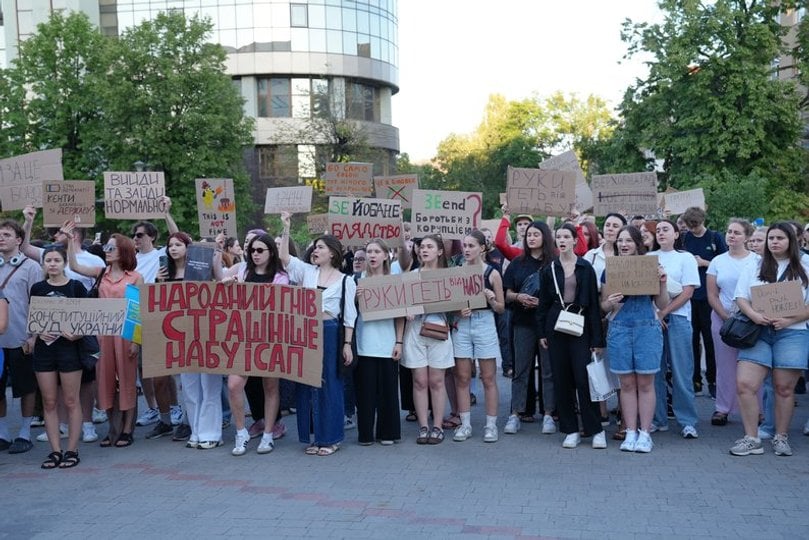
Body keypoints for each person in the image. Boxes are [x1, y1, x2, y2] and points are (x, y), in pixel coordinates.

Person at [21, 208, 106, 444]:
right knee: (54, 388)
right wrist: (29, 220)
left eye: (61, 230)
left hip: (77, 336)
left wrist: (82, 331)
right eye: (48, 261)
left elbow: (96, 296)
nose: (56, 234)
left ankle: (87, 424)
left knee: (85, 383)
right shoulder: (45, 265)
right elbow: (25, 248)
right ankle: (59, 427)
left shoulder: (93, 260)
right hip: (50, 342)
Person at [729, 223, 809, 457]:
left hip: (792, 332)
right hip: (757, 331)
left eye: (780, 238)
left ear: (791, 241)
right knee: (745, 384)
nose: (774, 242)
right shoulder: (754, 264)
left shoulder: (805, 265)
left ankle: (781, 437)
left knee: (783, 388)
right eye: (771, 238)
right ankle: (752, 437)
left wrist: (788, 320)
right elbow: (741, 297)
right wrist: (754, 314)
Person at [280, 212, 356, 456]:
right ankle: (313, 437)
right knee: (308, 384)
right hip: (307, 331)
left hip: (331, 332)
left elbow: (349, 315)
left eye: (320, 247)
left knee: (330, 385)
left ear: (332, 253)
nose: (314, 250)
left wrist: (347, 344)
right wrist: (286, 228)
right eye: (314, 247)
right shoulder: (307, 273)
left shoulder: (346, 280)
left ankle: (331, 438)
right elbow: (284, 257)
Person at [65, 223, 143, 447]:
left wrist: (136, 341)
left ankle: (127, 429)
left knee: (127, 381)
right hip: (103, 335)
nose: (107, 251)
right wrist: (71, 240)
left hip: (126, 335)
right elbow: (74, 265)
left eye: (112, 248)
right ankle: (113, 428)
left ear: (123, 252)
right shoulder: (101, 273)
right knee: (105, 381)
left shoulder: (135, 278)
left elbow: (137, 312)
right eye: (107, 248)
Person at [220, 233, 289, 455]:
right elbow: (219, 288)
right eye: (252, 250)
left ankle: (268, 434)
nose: (255, 254)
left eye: (260, 250)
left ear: (271, 252)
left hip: (270, 338)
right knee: (234, 385)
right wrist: (228, 287)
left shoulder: (280, 277)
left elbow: (281, 305)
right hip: (243, 338)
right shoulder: (242, 272)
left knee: (270, 386)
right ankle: (241, 433)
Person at [601, 226, 669, 452]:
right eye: (620, 240)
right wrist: (611, 302)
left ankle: (645, 433)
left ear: (638, 244)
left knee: (646, 383)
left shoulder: (650, 267)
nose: (623, 244)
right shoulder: (609, 270)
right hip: (619, 327)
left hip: (647, 328)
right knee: (627, 384)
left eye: (629, 240)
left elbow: (662, 305)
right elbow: (603, 306)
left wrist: (662, 281)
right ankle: (630, 431)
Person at [156, 232, 225, 450]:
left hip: (206, 332)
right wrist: (159, 282)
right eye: (170, 245)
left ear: (189, 248)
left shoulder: (202, 267)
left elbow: (221, 283)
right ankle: (195, 431)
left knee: (210, 384)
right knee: (190, 387)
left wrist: (217, 255)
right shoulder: (165, 272)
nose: (173, 248)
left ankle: (211, 432)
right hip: (180, 336)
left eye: (178, 244)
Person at [538, 223, 605, 449]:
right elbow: (543, 304)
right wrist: (542, 333)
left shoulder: (586, 267)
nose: (563, 240)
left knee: (583, 378)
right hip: (556, 325)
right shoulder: (549, 269)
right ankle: (570, 429)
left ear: (575, 240)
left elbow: (594, 306)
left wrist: (597, 340)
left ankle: (595, 429)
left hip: (581, 323)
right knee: (562, 378)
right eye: (559, 237)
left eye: (567, 236)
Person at [29, 245, 86, 468]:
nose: (52, 264)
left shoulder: (76, 287)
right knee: (49, 401)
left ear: (64, 263)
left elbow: (89, 321)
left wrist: (77, 334)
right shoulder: (37, 288)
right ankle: (55, 451)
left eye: (56, 260)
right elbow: (33, 318)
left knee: (71, 400)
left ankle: (72, 450)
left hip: (69, 349)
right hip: (45, 350)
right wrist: (37, 331)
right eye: (48, 260)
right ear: (43, 264)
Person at [399, 234, 454, 445]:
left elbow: (458, 304)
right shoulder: (411, 276)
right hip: (414, 331)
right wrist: (407, 311)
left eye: (429, 247)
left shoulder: (449, 276)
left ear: (440, 251)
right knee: (420, 381)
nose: (424, 250)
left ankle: (438, 426)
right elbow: (400, 304)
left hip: (438, 330)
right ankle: (423, 426)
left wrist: (463, 308)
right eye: (422, 247)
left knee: (436, 381)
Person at [502, 221, 556, 435]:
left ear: (545, 236)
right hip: (522, 323)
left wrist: (543, 302)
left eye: (536, 234)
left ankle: (549, 414)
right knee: (521, 369)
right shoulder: (518, 262)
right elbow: (506, 293)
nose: (531, 237)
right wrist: (518, 297)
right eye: (529, 234)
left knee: (548, 371)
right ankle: (515, 413)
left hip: (547, 325)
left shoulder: (555, 263)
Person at [649, 219, 701, 438]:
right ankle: (658, 419)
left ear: (676, 234)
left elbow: (687, 292)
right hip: (653, 320)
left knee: (681, 371)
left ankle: (687, 421)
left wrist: (664, 312)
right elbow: (645, 291)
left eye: (665, 230)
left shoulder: (685, 258)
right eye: (658, 230)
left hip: (678, 318)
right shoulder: (648, 258)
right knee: (654, 372)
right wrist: (655, 313)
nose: (660, 233)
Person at [451, 231, 504, 443]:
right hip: (463, 324)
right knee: (462, 376)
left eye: (471, 245)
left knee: (488, 376)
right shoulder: (456, 272)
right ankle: (465, 424)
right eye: (465, 245)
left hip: (484, 321)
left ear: (482, 248)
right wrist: (457, 311)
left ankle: (491, 425)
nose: (467, 249)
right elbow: (449, 304)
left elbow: (501, 308)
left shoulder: (492, 273)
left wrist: (491, 299)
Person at [706, 219, 758, 426]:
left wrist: (750, 315)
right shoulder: (717, 261)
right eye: (729, 232)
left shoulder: (758, 261)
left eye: (737, 232)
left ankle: (758, 410)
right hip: (723, 319)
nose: (731, 236)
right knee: (725, 365)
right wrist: (727, 318)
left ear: (747, 237)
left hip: (751, 321)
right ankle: (722, 408)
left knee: (753, 365)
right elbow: (712, 294)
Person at [353, 239, 404, 446]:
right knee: (365, 394)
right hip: (364, 344)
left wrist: (399, 342)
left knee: (388, 393)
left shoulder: (394, 281)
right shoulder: (356, 280)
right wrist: (356, 298)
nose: (372, 255)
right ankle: (365, 434)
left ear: (386, 255)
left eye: (376, 251)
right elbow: (349, 312)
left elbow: (400, 315)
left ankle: (388, 433)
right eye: (369, 252)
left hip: (387, 344)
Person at [0, 219, 44, 454]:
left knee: (26, 386)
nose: (1, 238)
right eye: (0, 234)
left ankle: (25, 432)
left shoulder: (31, 267)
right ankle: (3, 432)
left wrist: (34, 335)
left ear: (19, 240)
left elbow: (37, 303)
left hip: (21, 338)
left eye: (6, 234)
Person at [681, 206, 728, 398]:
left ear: (703, 221)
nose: (693, 229)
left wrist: (704, 263)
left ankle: (713, 380)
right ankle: (695, 380)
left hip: (709, 296)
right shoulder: (685, 238)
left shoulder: (715, 237)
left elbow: (725, 263)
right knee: (691, 341)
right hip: (689, 297)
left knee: (710, 341)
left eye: (696, 226)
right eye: (690, 226)